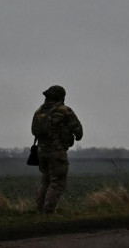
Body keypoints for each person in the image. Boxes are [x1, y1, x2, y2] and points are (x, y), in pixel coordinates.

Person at [31, 84, 83, 214]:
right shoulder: (64, 111)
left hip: (41, 152)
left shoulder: (39, 111)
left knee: (46, 181)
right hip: (57, 152)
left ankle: (39, 211)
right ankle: (48, 213)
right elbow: (79, 132)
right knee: (57, 183)